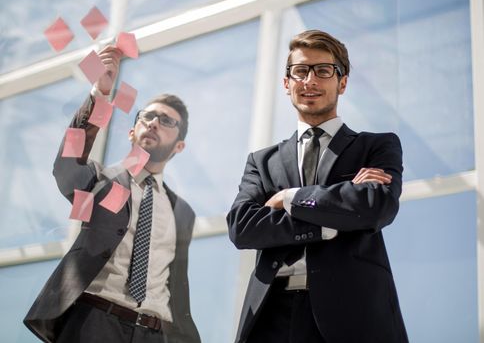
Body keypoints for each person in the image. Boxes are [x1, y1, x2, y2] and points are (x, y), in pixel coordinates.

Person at [227, 30, 408, 343]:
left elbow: (375, 206)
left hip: (353, 314)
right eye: (300, 71)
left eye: (323, 70)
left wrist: (290, 197)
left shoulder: (376, 146)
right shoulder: (262, 161)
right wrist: (328, 223)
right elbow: (243, 227)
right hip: (270, 316)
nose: (310, 81)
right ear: (287, 83)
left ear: (343, 82)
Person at [24, 45, 200, 343]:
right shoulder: (101, 180)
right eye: (148, 117)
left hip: (155, 332)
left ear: (179, 146)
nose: (154, 123)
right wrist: (100, 94)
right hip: (93, 323)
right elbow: (67, 164)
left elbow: (176, 284)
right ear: (132, 132)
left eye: (167, 121)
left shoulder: (182, 212)